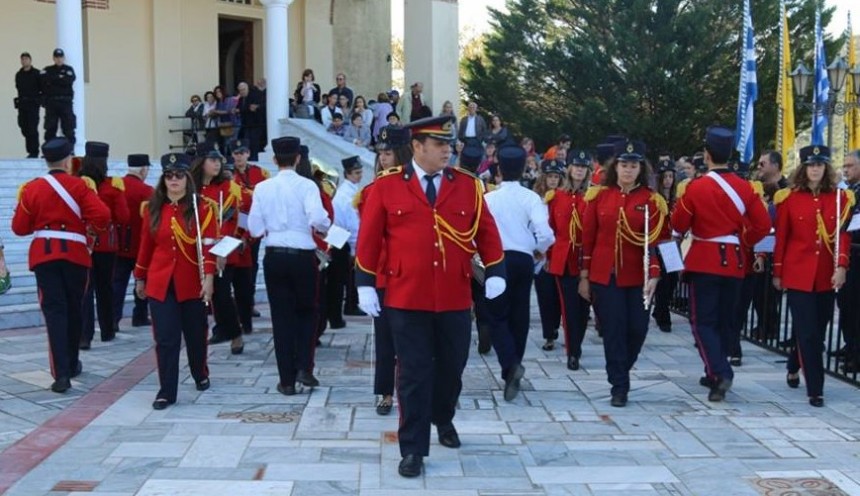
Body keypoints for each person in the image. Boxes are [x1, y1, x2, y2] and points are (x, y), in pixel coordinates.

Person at [354, 115, 506, 478]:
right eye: (439, 145)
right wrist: (364, 282)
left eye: (448, 144)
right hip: (405, 296)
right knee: (413, 373)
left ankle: (443, 416)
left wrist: (496, 270)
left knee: (452, 368)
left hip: (454, 295)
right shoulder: (387, 186)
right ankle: (412, 448)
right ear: (418, 147)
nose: (447, 151)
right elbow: (370, 238)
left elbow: (486, 230)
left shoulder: (468, 185)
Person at [670, 127, 771, 402]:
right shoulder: (746, 187)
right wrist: (742, 239)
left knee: (702, 322)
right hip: (735, 261)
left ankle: (721, 371)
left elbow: (679, 224)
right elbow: (763, 225)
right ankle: (713, 373)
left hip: (704, 259)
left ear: (706, 154)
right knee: (725, 320)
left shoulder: (696, 187)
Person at [12, 138, 111, 393]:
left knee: (55, 313)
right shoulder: (79, 186)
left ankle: (61, 374)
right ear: (68, 161)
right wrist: (91, 230)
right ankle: (72, 361)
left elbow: (19, 228)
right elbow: (102, 216)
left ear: (46, 160)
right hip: (76, 255)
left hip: (44, 256)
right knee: (75, 309)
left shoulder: (32, 189)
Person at [579, 139, 669, 407]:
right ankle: (619, 384)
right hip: (606, 275)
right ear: (614, 167)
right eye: (624, 165)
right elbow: (588, 238)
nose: (628, 170)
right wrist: (584, 276)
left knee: (638, 330)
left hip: (639, 276)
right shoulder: (599, 197)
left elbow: (656, 241)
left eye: (634, 165)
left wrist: (654, 274)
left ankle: (621, 370)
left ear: (641, 168)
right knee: (614, 330)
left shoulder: (652, 200)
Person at [249, 137, 331, 395]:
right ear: (298, 158)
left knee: (281, 318)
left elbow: (254, 228)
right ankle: (304, 367)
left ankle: (286, 380)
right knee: (307, 312)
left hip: (274, 255)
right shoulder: (307, 186)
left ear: (275, 160)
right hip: (302, 256)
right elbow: (318, 219)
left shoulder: (262, 188)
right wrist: (323, 225)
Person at [134, 153, 216, 410]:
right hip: (160, 282)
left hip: (191, 280)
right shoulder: (153, 209)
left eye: (179, 175)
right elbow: (146, 246)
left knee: (195, 334)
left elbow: (209, 246)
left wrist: (210, 278)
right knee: (166, 338)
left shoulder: (202, 208)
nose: (174, 180)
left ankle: (200, 372)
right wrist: (140, 277)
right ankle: (166, 391)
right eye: (168, 176)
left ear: (187, 178)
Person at [773, 145, 853, 407]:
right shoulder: (789, 198)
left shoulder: (840, 198)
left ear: (827, 168)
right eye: (810, 165)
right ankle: (815, 389)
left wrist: (841, 267)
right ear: (803, 168)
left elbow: (843, 237)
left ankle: (795, 361)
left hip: (826, 275)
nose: (815, 169)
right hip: (797, 274)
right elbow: (782, 238)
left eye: (820, 164)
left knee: (818, 328)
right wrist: (778, 272)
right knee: (808, 332)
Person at [485, 145, 555, 401]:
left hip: (496, 260)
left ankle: (509, 365)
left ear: (499, 169)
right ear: (524, 169)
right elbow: (546, 234)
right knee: (520, 315)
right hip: (524, 259)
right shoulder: (531, 198)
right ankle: (513, 366)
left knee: (496, 316)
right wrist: (539, 250)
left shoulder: (489, 198)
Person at [356, 125, 413, 416]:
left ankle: (413, 391)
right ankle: (384, 391)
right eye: (380, 153)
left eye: (388, 153)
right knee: (385, 337)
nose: (382, 158)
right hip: (383, 274)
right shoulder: (371, 191)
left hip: (413, 274)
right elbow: (368, 239)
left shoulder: (418, 187)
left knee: (415, 340)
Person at [191, 146, 245, 355]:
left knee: (222, 295)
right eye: (212, 160)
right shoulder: (192, 188)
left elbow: (231, 224)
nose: (216, 164)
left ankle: (235, 332)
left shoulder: (227, 188)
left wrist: (221, 252)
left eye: (218, 160)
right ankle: (215, 331)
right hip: (196, 251)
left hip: (221, 251)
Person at [78, 142, 130, 349]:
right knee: (105, 288)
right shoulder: (113, 186)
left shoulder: (78, 184)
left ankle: (84, 335)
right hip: (107, 244)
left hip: (84, 243)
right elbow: (124, 217)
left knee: (85, 290)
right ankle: (107, 330)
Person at [547, 150, 591, 370]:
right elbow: (551, 230)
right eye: (576, 166)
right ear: (569, 169)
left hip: (586, 259)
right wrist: (548, 255)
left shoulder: (592, 197)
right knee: (569, 307)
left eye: (583, 167)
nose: (579, 170)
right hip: (564, 257)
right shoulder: (556, 197)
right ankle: (572, 351)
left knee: (584, 308)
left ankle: (577, 343)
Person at [112, 154, 154, 330]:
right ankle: (140, 315)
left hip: (119, 244)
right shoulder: (147, 191)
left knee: (117, 285)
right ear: (143, 169)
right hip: (139, 245)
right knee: (142, 280)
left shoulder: (117, 186)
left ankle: (113, 319)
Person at [231, 140, 270, 319]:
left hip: (253, 229)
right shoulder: (227, 174)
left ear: (248, 153)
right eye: (236, 153)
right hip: (232, 228)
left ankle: (249, 303)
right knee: (234, 268)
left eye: (242, 152)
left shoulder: (259, 173)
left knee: (251, 267)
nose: (239, 156)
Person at [328, 156, 364, 329]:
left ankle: (351, 304)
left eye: (360, 172)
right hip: (342, 238)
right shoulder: (346, 195)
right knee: (345, 277)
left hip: (343, 237)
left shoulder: (351, 192)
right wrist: (355, 246)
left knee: (348, 276)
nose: (360, 176)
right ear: (347, 174)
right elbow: (353, 223)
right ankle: (348, 305)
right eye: (356, 173)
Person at [532, 160, 564, 350]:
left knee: (560, 296)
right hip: (541, 255)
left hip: (560, 252)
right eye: (550, 176)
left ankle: (557, 326)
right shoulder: (535, 199)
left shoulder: (564, 198)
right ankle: (549, 335)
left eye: (556, 177)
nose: (552, 180)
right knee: (545, 296)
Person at [652, 159, 678, 333]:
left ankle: (660, 310)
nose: (668, 180)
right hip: (658, 242)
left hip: (672, 244)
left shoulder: (675, 200)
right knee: (663, 282)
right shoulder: (655, 199)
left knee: (673, 280)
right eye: (665, 176)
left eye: (671, 176)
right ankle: (663, 315)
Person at [840, 150, 860, 373]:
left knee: (855, 307)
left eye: (850, 165)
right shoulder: (849, 191)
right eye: (844, 165)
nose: (845, 169)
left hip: (856, 252)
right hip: (848, 255)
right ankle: (850, 345)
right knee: (846, 305)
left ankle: (857, 353)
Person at [41, 48, 76, 144]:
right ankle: (49, 150)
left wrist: (53, 80)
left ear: (63, 58)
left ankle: (70, 151)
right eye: (56, 57)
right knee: (50, 128)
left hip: (65, 102)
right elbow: (43, 80)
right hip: (52, 103)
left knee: (68, 127)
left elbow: (68, 80)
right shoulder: (47, 70)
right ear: (53, 58)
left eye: (60, 57)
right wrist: (59, 78)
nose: (59, 59)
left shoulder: (69, 69)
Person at [16, 52, 41, 158]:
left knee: (32, 127)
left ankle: (34, 151)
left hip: (33, 105)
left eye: (26, 59)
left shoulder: (37, 74)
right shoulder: (19, 74)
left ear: (30, 60)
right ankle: (30, 149)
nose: (24, 61)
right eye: (22, 59)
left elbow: (42, 88)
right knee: (23, 126)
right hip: (22, 104)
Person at [236, 82, 265, 160]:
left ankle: (254, 159)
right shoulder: (241, 99)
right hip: (246, 125)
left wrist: (256, 107)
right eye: (240, 90)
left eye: (243, 89)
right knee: (246, 144)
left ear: (247, 88)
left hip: (256, 124)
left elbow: (262, 106)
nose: (242, 92)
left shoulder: (255, 96)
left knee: (254, 144)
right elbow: (241, 108)